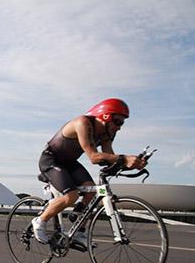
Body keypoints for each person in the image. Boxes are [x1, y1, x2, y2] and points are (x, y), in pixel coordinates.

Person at [32, 98, 146, 246]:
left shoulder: (108, 133)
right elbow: (94, 157)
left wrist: (131, 164)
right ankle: (40, 221)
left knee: (93, 193)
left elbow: (109, 158)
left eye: (122, 123)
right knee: (70, 196)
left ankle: (79, 230)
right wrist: (124, 159)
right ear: (105, 116)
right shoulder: (83, 123)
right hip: (51, 160)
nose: (120, 127)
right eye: (118, 122)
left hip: (69, 163)